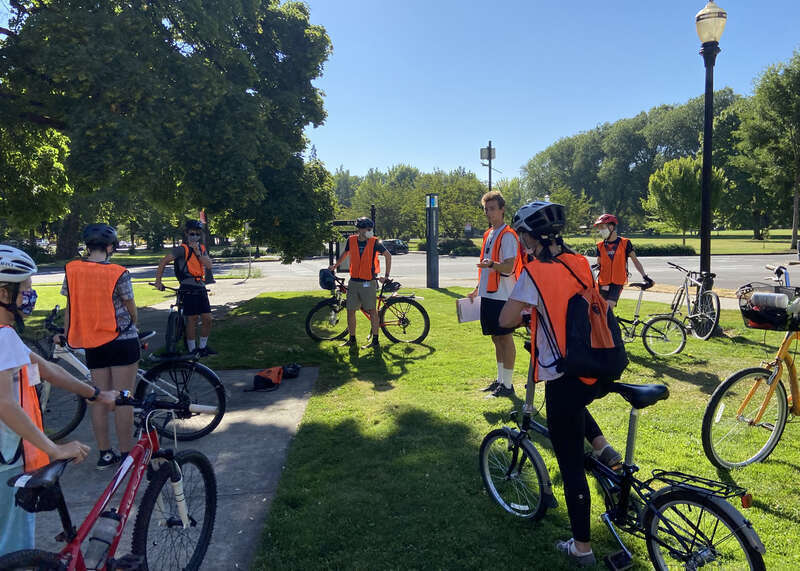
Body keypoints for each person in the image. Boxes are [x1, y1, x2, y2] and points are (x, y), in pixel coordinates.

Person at [499, 202, 622, 566]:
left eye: (523, 236)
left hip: (565, 371)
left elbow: (506, 318)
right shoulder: (579, 262)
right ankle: (602, 447)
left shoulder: (534, 272)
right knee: (574, 411)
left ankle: (582, 547)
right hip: (596, 362)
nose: (522, 242)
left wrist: (526, 312)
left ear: (531, 238)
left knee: (570, 465)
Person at [0, 245, 116, 555]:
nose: (31, 294)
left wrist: (95, 393)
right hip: (5, 463)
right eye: (25, 288)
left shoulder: (6, 335)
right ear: (3, 292)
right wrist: (54, 448)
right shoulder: (3, 338)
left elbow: (45, 368)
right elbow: (5, 404)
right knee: (13, 552)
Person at [62, 224, 138, 470]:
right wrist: (134, 323)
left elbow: (70, 308)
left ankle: (105, 454)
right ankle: (126, 455)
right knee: (123, 397)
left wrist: (67, 333)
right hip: (122, 340)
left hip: (93, 342)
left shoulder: (72, 270)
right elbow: (130, 307)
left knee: (99, 398)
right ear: (109, 247)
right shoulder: (118, 272)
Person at [467, 190, 523, 398]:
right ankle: (500, 380)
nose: (489, 213)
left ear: (502, 210)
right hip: (489, 295)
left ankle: (507, 385)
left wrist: (492, 264)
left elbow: (509, 267)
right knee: (496, 338)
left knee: (505, 338)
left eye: (492, 209)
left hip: (503, 296)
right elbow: (485, 267)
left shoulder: (508, 235)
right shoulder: (489, 233)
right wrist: (477, 289)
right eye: (486, 209)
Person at [154, 220, 216, 356]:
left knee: (207, 318)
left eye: (198, 234)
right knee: (192, 319)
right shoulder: (182, 249)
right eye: (192, 234)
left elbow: (209, 265)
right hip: (187, 286)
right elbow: (163, 261)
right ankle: (192, 350)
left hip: (200, 286)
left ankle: (203, 347)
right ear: (186, 233)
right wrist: (158, 281)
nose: (195, 237)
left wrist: (198, 252)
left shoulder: (201, 248)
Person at [328, 217, 392, 349]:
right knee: (350, 311)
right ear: (360, 229)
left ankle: (375, 341)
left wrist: (386, 276)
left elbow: (388, 255)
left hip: (369, 282)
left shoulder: (374, 242)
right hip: (354, 281)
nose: (370, 231)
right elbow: (345, 254)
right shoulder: (351, 240)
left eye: (371, 229)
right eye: (368, 229)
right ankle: (352, 339)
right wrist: (335, 266)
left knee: (372, 311)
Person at [592, 214, 653, 310]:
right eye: (599, 228)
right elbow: (598, 265)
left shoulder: (625, 243)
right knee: (601, 310)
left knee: (608, 307)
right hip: (603, 282)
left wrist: (644, 276)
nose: (600, 230)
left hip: (617, 282)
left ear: (611, 227)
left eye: (602, 227)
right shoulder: (600, 246)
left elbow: (635, 261)